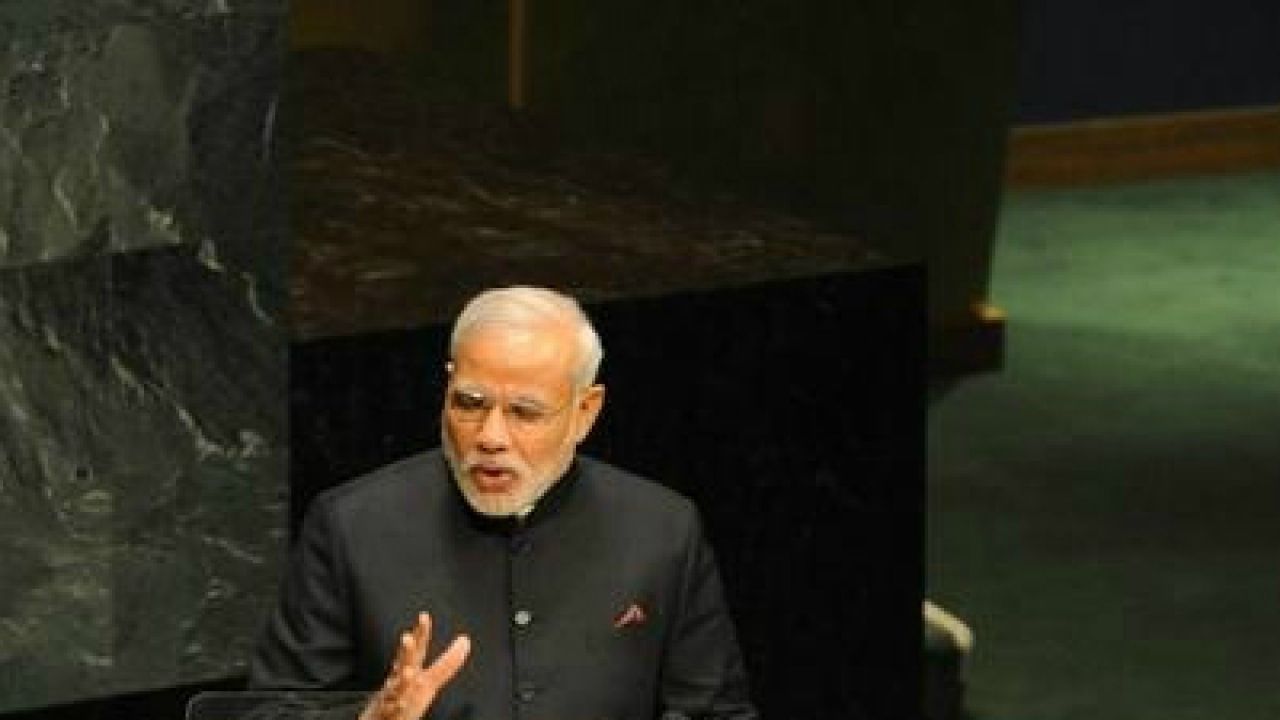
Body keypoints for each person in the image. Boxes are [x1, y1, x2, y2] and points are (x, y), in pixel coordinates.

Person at [250, 286, 759, 720]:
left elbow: (716, 713)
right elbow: (271, 711)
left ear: (585, 411)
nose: (490, 436)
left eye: (524, 413)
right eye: (470, 404)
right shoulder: (351, 526)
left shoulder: (662, 530)